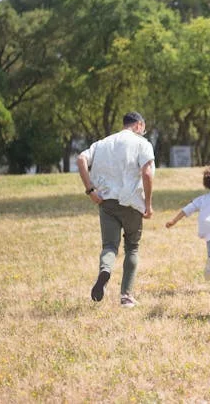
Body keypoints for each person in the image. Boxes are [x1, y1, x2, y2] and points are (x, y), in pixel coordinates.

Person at [77, 111, 155, 308]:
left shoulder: (102, 143)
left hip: (106, 202)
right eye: (143, 129)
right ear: (138, 125)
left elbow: (80, 159)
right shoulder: (142, 143)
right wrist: (148, 204)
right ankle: (126, 296)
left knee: (109, 246)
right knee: (132, 248)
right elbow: (147, 173)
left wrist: (90, 189)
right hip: (132, 203)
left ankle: (106, 270)